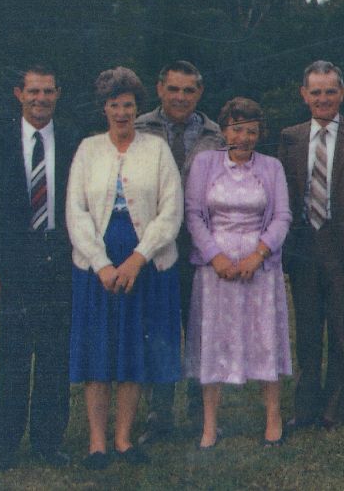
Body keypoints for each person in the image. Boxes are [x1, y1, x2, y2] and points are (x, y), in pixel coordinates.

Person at [67, 67, 183, 469]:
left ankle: (123, 439)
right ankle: (97, 442)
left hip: (145, 262)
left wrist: (137, 258)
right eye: (114, 105)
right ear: (104, 108)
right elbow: (76, 212)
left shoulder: (156, 149)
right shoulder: (87, 149)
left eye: (128, 105)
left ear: (138, 108)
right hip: (96, 266)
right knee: (98, 354)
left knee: (132, 352)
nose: (121, 112)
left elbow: (171, 211)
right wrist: (101, 264)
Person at [0, 65, 79, 470]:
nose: (41, 99)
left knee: (54, 356)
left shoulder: (72, 140)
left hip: (59, 255)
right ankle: (2, 447)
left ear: (58, 94)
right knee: (14, 357)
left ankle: (49, 443)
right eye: (33, 91)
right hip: (14, 258)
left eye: (48, 92)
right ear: (19, 93)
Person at [184, 97, 292, 448]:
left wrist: (258, 255)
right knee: (213, 340)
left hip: (258, 267)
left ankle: (272, 418)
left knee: (264, 336)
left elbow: (282, 217)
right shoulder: (205, 163)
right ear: (223, 129)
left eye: (251, 130)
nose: (243, 137)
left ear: (260, 133)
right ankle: (210, 425)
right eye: (236, 128)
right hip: (216, 269)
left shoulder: (272, 167)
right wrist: (214, 256)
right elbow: (194, 215)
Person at [277, 60, 344, 432]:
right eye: (315, 92)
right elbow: (281, 196)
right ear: (304, 94)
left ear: (342, 93)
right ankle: (305, 407)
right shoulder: (290, 137)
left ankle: (334, 407)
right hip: (303, 246)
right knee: (307, 329)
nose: (323, 98)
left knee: (342, 328)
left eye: (330, 91)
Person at [135, 60, 223, 441]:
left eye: (189, 90)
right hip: (154, 245)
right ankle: (159, 413)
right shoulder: (138, 128)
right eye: (174, 89)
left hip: (200, 245)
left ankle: (200, 411)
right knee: (160, 330)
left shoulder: (215, 135)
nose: (181, 97)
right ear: (160, 89)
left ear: (199, 93)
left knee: (200, 328)